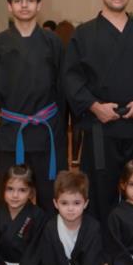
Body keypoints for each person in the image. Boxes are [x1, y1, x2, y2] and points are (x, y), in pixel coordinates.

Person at [64, 0, 133, 226]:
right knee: (99, 193)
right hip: (100, 128)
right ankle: (101, 246)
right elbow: (71, 78)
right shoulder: (83, 35)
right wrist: (94, 106)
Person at [0, 0, 67, 214]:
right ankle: (10, 239)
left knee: (51, 197)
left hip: (47, 131)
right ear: (9, 6)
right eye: (18, 0)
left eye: (30, 0)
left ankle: (50, 239)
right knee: (9, 199)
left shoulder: (53, 42)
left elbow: (61, 87)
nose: (24, 5)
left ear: (39, 5)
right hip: (13, 131)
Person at [39, 170, 117, 265]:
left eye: (76, 203)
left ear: (85, 203)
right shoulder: (50, 228)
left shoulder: (92, 227)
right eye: (64, 203)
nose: (70, 209)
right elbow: (49, 263)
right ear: (55, 203)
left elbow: (92, 260)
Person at [55, 20, 83, 166]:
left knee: (61, 126)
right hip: (74, 90)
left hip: (59, 91)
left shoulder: (54, 46)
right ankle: (75, 158)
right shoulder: (76, 45)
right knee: (77, 124)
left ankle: (63, 157)